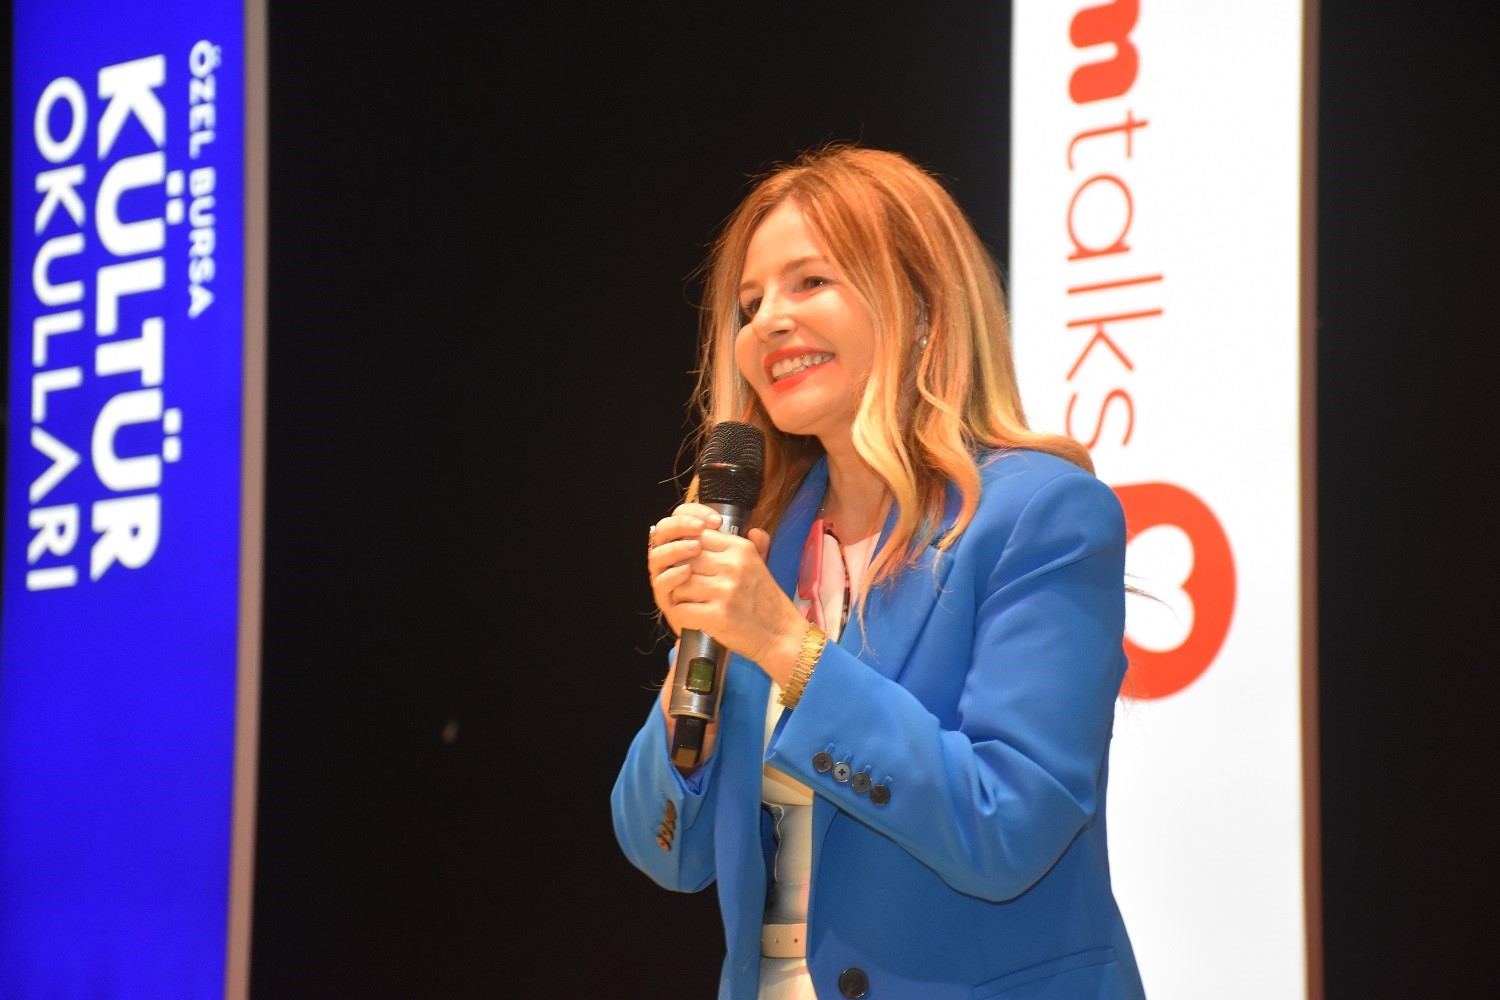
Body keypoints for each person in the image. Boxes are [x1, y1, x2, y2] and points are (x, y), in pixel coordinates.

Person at [611, 143, 1145, 1000]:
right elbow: (664, 852)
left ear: (923, 304)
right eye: (751, 303)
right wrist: (692, 664)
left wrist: (786, 645)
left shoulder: (1040, 515)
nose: (769, 321)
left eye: (810, 282)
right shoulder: (767, 544)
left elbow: (1007, 827)